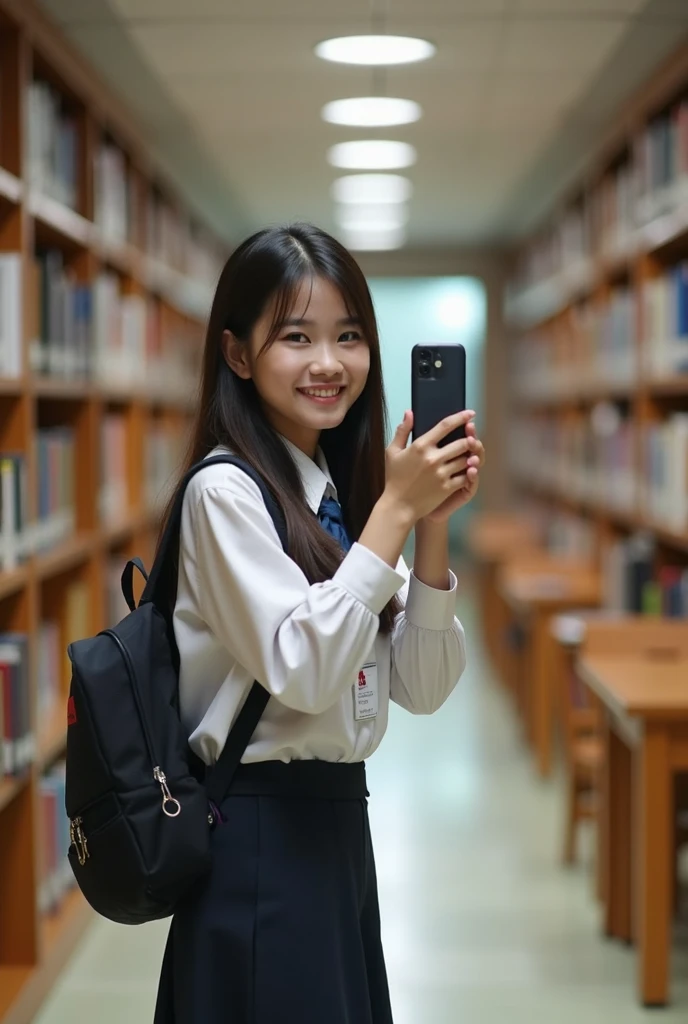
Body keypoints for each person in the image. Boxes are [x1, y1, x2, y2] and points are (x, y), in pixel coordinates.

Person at [154, 223, 485, 1024]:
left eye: (348, 336)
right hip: (259, 838)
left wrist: (430, 524)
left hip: (339, 825)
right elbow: (302, 666)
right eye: (295, 337)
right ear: (238, 355)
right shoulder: (225, 495)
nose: (329, 363)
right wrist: (394, 514)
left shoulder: (336, 497)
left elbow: (423, 686)